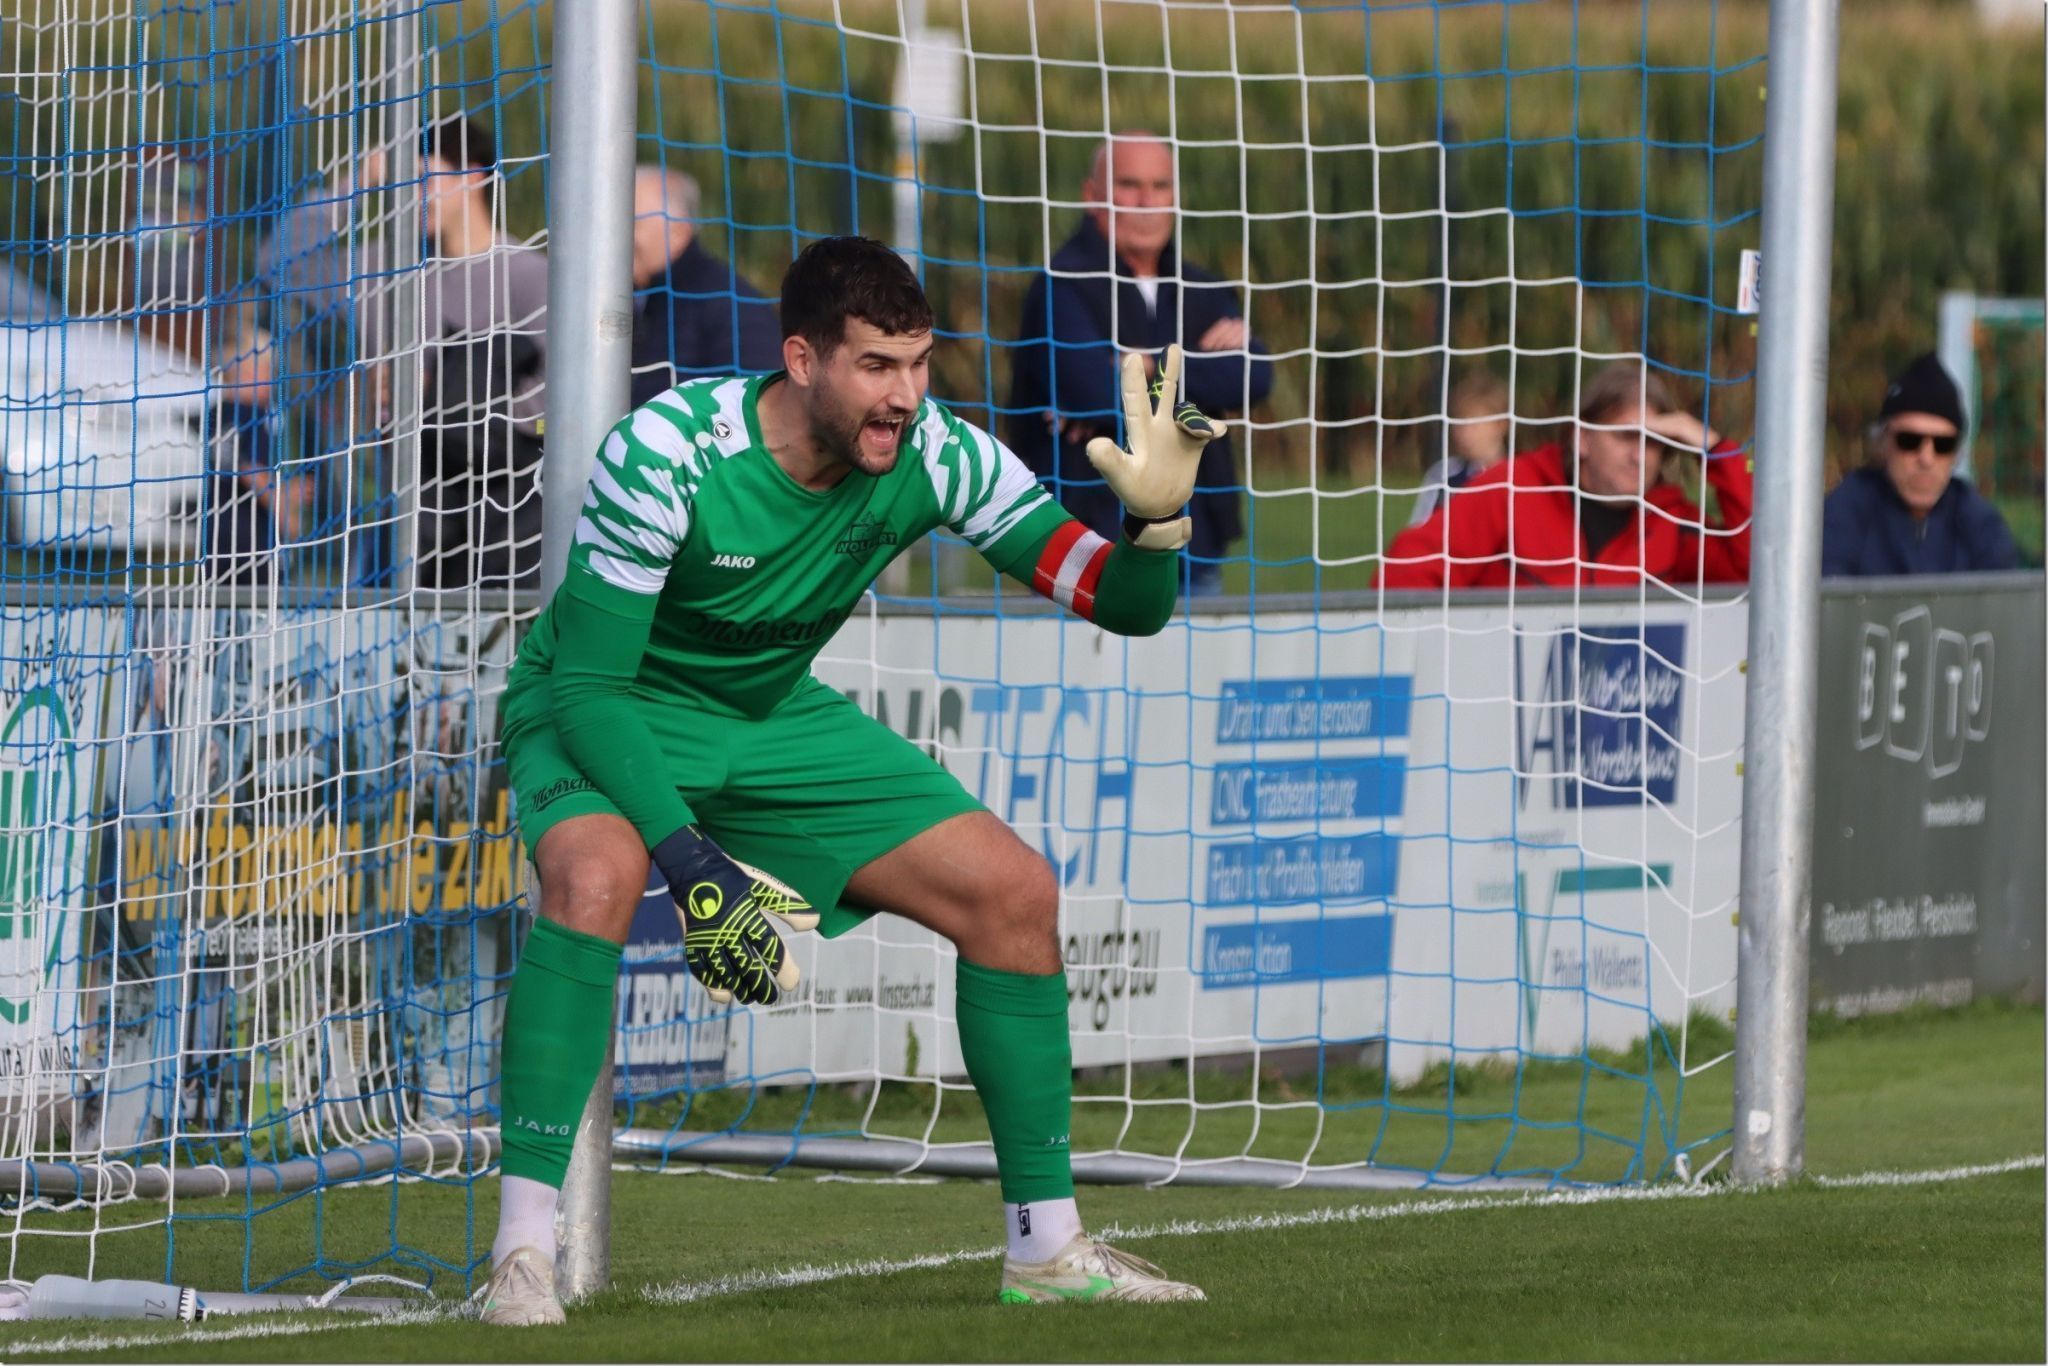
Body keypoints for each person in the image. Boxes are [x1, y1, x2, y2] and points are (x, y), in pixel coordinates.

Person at [479, 236, 1212, 1324]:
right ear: (802, 358)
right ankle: (521, 1253)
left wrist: (1153, 524)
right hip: (605, 703)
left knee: (1015, 895)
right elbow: (588, 687)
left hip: (765, 716)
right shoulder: (669, 451)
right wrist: (691, 863)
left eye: (918, 365)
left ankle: (1045, 1249)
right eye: (876, 366)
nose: (905, 396)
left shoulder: (940, 454)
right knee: (596, 870)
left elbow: (1123, 604)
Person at [1007, 131, 1273, 594]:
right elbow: (1093, 390)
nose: (1147, 201)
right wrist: (1195, 379)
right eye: (1130, 184)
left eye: (1160, 186)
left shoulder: (1201, 286)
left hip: (1195, 550)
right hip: (1088, 551)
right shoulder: (1062, 284)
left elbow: (1254, 377)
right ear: (1093, 195)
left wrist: (1148, 367)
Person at [1379, 360, 1752, 588]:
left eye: (1654, 442)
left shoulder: (1672, 523)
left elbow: (1756, 572)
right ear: (1583, 440)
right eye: (1626, 437)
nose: (1640, 456)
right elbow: (1406, 574)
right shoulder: (1512, 491)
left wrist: (1715, 450)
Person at [414, 112, 550, 591]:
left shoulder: (529, 275)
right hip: (419, 514)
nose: (412, 196)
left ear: (471, 176)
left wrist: (490, 416)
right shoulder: (397, 283)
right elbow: (282, 261)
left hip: (508, 516)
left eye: (423, 178)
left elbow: (564, 404)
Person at [1821, 352, 2019, 576]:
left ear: (1957, 452)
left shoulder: (1979, 522)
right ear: (1883, 442)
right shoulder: (1846, 511)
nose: (1926, 458)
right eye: (1910, 441)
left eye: (1943, 444)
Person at [627, 165, 780, 408]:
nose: (618, 236)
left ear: (678, 232)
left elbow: (755, 408)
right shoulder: (637, 301)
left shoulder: (732, 305)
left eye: (633, 224)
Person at [1406, 369, 1512, 527]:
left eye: (1473, 425)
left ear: (1501, 425)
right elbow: (1418, 530)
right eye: (1459, 423)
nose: (1463, 433)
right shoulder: (1442, 475)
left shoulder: (1518, 478)